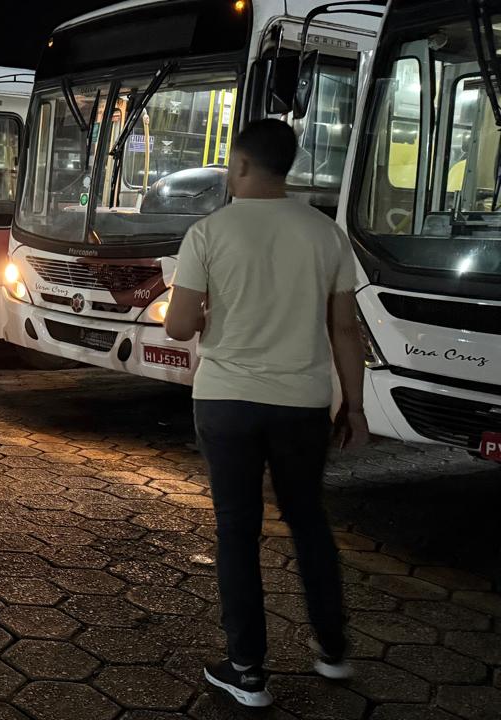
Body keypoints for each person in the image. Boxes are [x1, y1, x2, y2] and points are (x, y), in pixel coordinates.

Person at [164, 119, 369, 708]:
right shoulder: (326, 234)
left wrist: (209, 316)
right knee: (308, 521)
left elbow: (178, 326)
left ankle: (247, 671)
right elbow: (345, 330)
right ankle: (333, 651)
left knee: (237, 529)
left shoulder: (209, 232)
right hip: (302, 403)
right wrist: (354, 407)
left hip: (226, 399)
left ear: (241, 164)